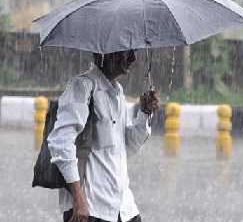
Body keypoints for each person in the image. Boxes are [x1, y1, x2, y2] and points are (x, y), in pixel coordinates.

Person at [47, 50, 160, 222]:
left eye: (134, 52)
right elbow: (60, 143)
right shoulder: (82, 86)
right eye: (127, 51)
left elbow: (126, 147)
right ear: (107, 53)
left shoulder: (117, 92)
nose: (132, 58)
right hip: (91, 208)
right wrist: (78, 199)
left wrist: (144, 113)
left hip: (124, 208)